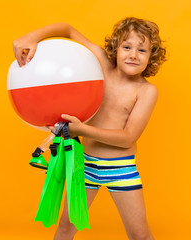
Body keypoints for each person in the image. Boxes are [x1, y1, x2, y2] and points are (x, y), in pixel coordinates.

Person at [13, 17, 167, 240]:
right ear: (115, 48)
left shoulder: (146, 91)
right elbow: (67, 29)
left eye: (142, 50)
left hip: (120, 169)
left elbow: (127, 138)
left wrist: (81, 130)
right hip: (84, 166)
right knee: (66, 228)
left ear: (151, 56)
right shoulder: (101, 64)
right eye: (127, 47)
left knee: (139, 235)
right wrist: (32, 37)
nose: (133, 55)